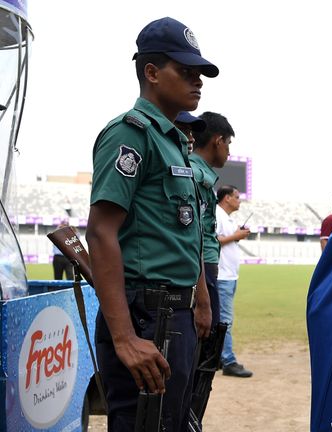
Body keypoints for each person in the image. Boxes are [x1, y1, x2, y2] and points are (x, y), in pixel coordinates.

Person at [86, 17, 216, 431]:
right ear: (152, 73)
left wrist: (199, 300)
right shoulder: (131, 135)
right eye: (186, 71)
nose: (197, 81)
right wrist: (124, 337)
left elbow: (184, 233)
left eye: (200, 73)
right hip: (145, 317)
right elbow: (101, 232)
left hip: (173, 315)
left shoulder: (175, 143)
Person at [189, 111, 236, 328]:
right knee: (205, 342)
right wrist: (202, 295)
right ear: (217, 141)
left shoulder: (200, 172)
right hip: (201, 270)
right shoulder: (196, 175)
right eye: (228, 144)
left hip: (203, 267)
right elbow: (194, 235)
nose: (228, 151)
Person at [215, 185, 253, 377]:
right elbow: (213, 239)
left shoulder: (227, 218)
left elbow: (226, 239)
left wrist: (236, 235)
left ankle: (218, 358)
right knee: (225, 321)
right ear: (227, 198)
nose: (239, 200)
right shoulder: (217, 214)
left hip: (229, 275)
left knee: (221, 320)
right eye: (237, 197)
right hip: (223, 276)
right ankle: (228, 360)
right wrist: (236, 236)